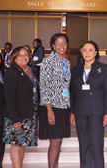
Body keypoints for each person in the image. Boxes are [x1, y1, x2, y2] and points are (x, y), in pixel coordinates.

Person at [70, 41, 107, 168]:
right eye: (84, 50)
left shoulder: (105, 69)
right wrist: (72, 112)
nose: (87, 53)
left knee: (96, 144)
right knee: (83, 144)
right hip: (80, 112)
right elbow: (72, 93)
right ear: (81, 52)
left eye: (90, 50)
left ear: (95, 52)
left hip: (97, 112)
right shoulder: (76, 69)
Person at [3, 46, 38, 168]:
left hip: (29, 113)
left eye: (26, 55)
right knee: (16, 145)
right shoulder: (12, 72)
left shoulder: (30, 69)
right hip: (17, 115)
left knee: (23, 144)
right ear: (15, 58)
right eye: (20, 55)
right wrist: (15, 119)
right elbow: (9, 97)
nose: (24, 57)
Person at [39, 33, 71, 168]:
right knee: (55, 140)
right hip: (51, 106)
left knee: (59, 140)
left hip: (63, 105)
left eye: (64, 43)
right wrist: (49, 110)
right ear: (53, 46)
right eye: (58, 43)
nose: (61, 46)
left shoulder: (67, 62)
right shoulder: (47, 61)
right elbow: (43, 85)